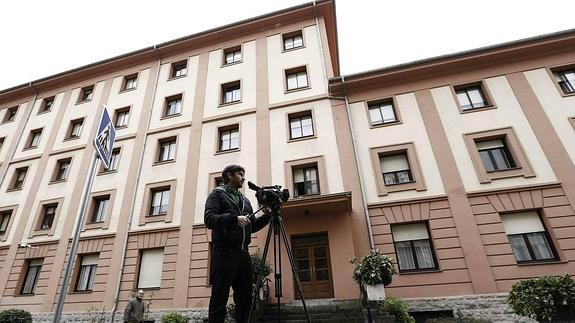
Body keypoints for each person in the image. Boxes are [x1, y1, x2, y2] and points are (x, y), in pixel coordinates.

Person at [204, 164, 271, 323]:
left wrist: (268, 216)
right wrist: (233, 219)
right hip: (223, 253)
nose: (243, 177)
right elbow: (209, 219)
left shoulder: (245, 201)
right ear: (228, 175)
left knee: (245, 298)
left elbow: (252, 226)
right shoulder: (217, 195)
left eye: (244, 174)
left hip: (243, 254)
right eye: (240, 174)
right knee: (220, 297)